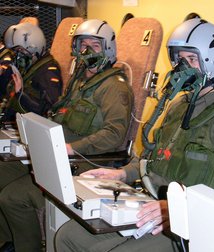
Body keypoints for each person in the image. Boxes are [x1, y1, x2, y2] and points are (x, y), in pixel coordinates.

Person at [55, 18, 214, 252]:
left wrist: (178, 208)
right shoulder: (180, 105)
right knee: (69, 236)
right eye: (180, 60)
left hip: (191, 224)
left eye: (191, 60)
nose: (182, 69)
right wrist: (122, 173)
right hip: (151, 203)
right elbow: (152, 160)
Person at [0, 19, 133, 251]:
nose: (87, 50)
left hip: (82, 162)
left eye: (95, 45)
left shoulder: (115, 86)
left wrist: (72, 149)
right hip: (56, 152)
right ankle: (9, 238)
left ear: (108, 49)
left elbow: (114, 135)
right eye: (83, 45)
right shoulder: (80, 81)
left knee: (12, 197)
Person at [0, 22, 63, 122]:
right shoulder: (29, 67)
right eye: (15, 52)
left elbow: (49, 112)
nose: (17, 56)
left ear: (34, 46)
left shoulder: (47, 72)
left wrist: (20, 94)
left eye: (20, 50)